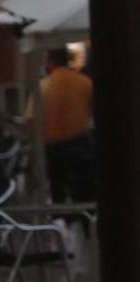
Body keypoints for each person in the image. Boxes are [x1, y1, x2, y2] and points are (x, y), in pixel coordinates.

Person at [29, 47, 95, 203]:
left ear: (50, 62)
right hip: (80, 143)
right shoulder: (85, 82)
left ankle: (62, 221)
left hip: (53, 147)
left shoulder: (42, 87)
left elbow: (30, 119)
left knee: (57, 189)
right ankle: (86, 222)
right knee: (83, 191)